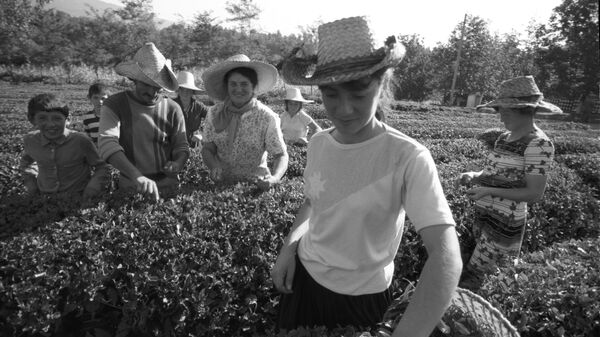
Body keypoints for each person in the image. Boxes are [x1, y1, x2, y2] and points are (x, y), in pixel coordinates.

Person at [271, 16, 462, 336]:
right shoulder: (319, 143)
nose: (344, 109)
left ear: (382, 84)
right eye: (331, 95)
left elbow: (446, 257)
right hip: (305, 284)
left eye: (358, 93)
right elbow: (312, 202)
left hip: (363, 301)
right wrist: (288, 248)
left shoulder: (408, 157)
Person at [458, 75, 555, 287]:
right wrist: (476, 175)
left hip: (504, 222)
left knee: (480, 279)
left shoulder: (539, 144)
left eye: (506, 112)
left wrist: (488, 192)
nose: (501, 119)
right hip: (485, 214)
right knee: (470, 270)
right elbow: (495, 172)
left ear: (525, 111)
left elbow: (534, 193)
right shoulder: (504, 138)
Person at [98, 42, 190, 201]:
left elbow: (181, 145)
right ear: (133, 79)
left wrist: (177, 164)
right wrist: (137, 176)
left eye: (158, 87)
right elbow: (107, 143)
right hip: (131, 185)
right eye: (146, 84)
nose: (152, 92)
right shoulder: (115, 105)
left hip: (168, 184)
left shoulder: (172, 108)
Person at [200, 54, 288, 191]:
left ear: (254, 86)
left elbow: (280, 154)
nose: (238, 89)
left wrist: (275, 178)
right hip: (221, 185)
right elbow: (207, 149)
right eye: (233, 84)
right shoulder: (214, 113)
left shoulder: (266, 117)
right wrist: (213, 167)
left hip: (255, 186)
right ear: (226, 86)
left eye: (244, 84)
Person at [20, 93, 108, 200]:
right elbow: (27, 162)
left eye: (57, 118)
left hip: (77, 197)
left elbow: (101, 166)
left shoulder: (81, 141)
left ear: (68, 119)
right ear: (32, 119)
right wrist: (31, 184)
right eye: (42, 118)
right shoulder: (30, 140)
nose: (51, 124)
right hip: (44, 198)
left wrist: (92, 189)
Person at [174, 71, 209, 148]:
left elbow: (214, 118)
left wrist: (202, 135)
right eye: (182, 89)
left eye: (188, 89)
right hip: (174, 147)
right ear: (178, 90)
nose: (185, 92)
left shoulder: (199, 106)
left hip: (194, 148)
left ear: (192, 91)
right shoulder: (171, 105)